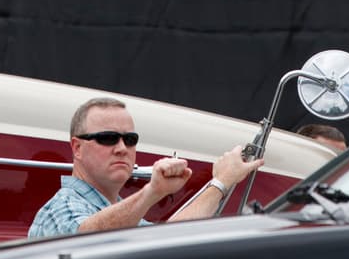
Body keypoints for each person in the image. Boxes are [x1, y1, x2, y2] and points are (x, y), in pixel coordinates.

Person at [28, 97, 262, 237]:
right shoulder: (61, 208)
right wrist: (153, 192)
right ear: (77, 148)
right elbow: (85, 240)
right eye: (108, 138)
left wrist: (221, 182)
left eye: (130, 139)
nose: (122, 148)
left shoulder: (118, 211)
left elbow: (166, 239)